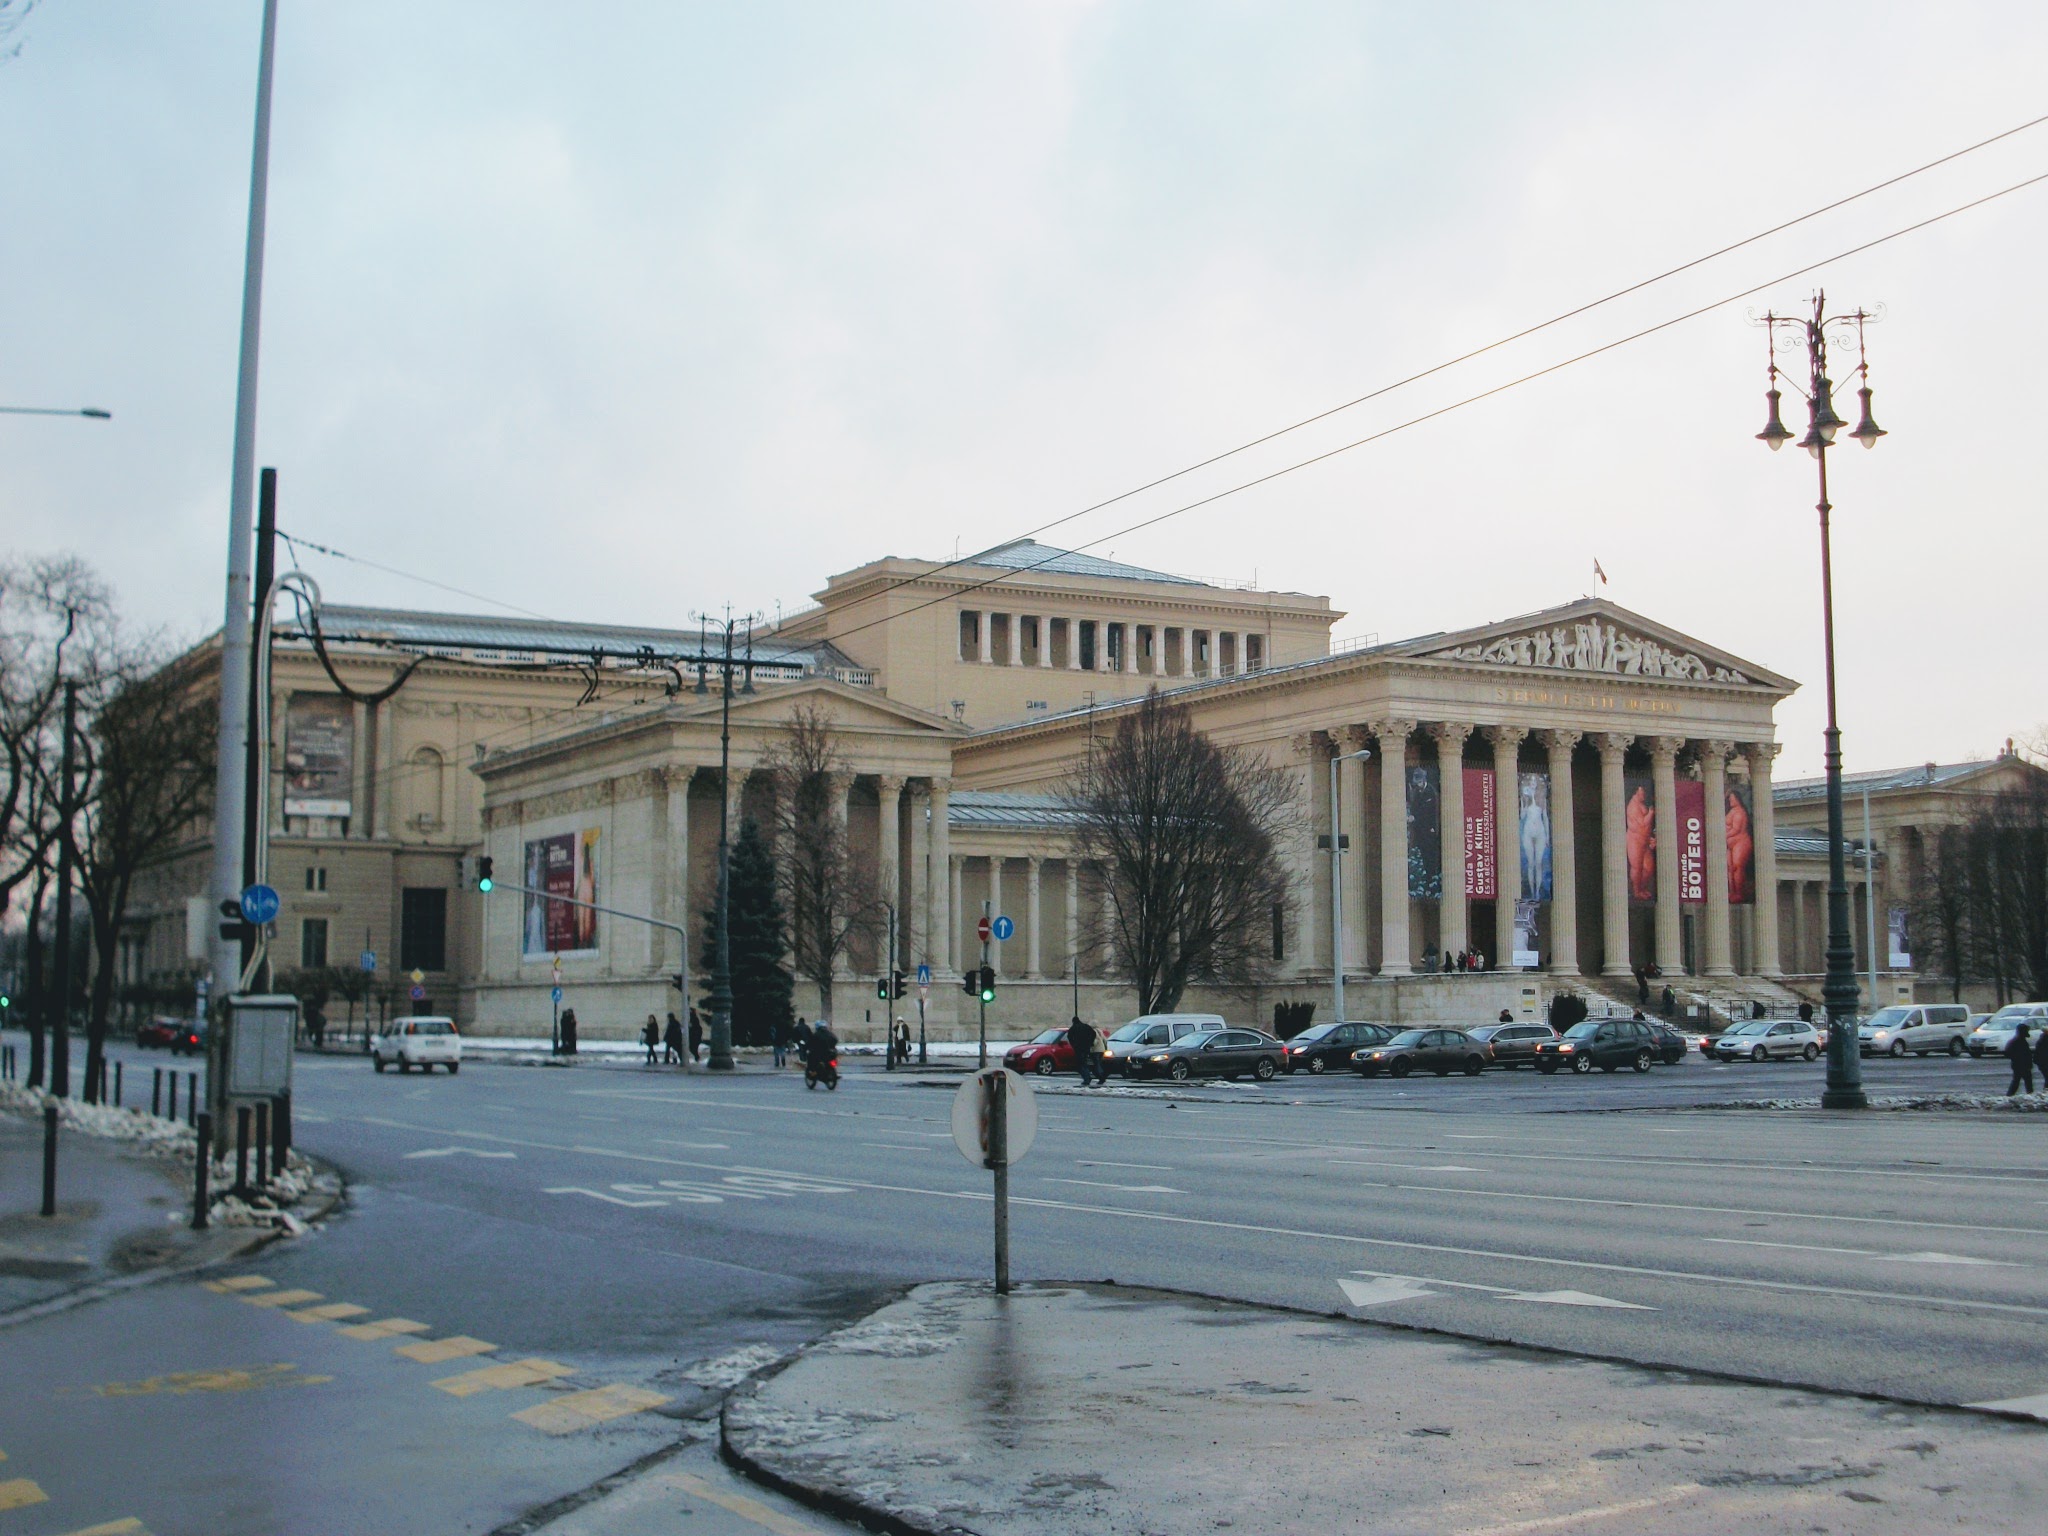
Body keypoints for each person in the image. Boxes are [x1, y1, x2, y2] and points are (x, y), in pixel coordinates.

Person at [2004, 1023, 2035, 1096]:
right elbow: (2009, 1053)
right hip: (2021, 1065)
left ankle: (2010, 1095)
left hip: (2019, 1065)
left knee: (2019, 1081)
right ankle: (2010, 1095)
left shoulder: (2017, 1041)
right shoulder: (2018, 1041)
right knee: (2023, 1082)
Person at [1066, 1015, 1096, 1083]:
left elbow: (1069, 1037)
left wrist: (1073, 1045)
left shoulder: (1073, 1028)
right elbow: (1093, 1034)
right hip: (1086, 1047)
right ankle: (1087, 1076)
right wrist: (1090, 1042)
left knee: (1081, 1064)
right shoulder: (1086, 1026)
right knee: (1085, 1062)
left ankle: (1086, 1078)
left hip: (1078, 1048)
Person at [1088, 1021, 1111, 1086]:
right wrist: (1105, 1048)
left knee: (1096, 1064)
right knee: (1099, 1063)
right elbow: (1105, 1040)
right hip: (1101, 1049)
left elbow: (1095, 1040)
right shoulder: (1100, 1031)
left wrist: (1091, 1045)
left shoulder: (1093, 1031)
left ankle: (1101, 1077)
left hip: (1095, 1050)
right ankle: (1102, 1076)